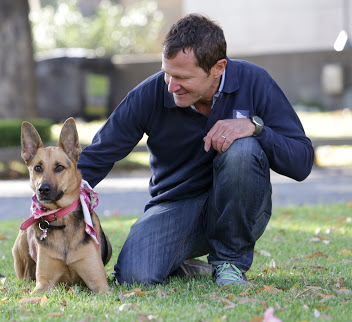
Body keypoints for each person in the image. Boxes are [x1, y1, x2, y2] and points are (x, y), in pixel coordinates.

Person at [77, 13, 314, 286]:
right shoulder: (151, 94)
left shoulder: (255, 81)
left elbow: (302, 162)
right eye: (167, 73)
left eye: (182, 77)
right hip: (175, 206)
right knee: (133, 276)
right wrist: (44, 215)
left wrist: (255, 127)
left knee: (243, 149)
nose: (171, 85)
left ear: (218, 67)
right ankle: (183, 262)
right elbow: (97, 156)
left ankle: (229, 263)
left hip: (241, 207)